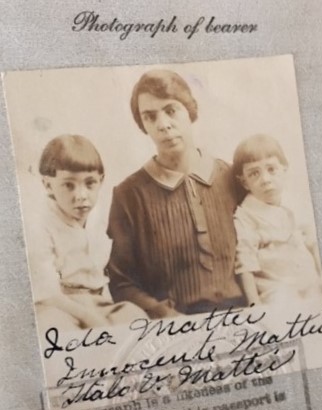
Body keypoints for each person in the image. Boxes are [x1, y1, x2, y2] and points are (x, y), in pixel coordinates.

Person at [107, 69, 244, 318]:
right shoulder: (129, 195)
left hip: (245, 317)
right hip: (175, 327)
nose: (163, 125)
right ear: (143, 125)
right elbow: (121, 283)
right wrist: (165, 315)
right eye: (150, 117)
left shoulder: (230, 177)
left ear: (189, 112)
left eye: (171, 110)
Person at [29, 134, 143, 332]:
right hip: (58, 306)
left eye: (90, 184)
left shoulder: (99, 216)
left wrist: (102, 315)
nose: (81, 196)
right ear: (48, 185)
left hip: (97, 302)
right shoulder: (40, 226)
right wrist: (95, 321)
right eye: (68, 185)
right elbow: (48, 293)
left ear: (101, 180)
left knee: (134, 317)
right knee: (56, 330)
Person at [232, 134, 322, 305]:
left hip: (310, 284)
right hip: (277, 292)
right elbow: (245, 264)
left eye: (271, 169)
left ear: (284, 170)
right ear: (244, 183)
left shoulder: (294, 203)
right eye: (254, 174)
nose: (265, 180)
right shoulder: (246, 215)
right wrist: (255, 306)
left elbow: (313, 243)